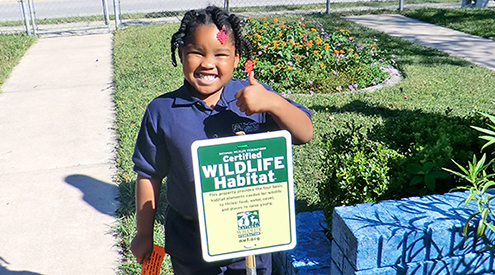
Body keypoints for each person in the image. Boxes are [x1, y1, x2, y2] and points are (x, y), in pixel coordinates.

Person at [130, 6, 313, 275]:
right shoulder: (162, 111)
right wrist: (144, 233)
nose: (207, 63)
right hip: (190, 241)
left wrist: (273, 103)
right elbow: (148, 174)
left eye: (220, 54)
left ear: (237, 58)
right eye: (196, 52)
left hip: (252, 235)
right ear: (181, 54)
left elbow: (304, 133)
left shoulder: (254, 96)